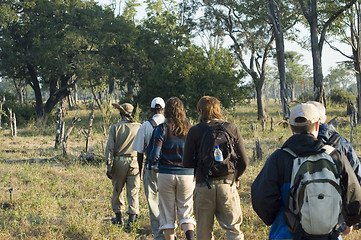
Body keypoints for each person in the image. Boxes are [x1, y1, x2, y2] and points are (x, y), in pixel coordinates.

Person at [251, 103, 361, 240]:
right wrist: (350, 220)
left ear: (291, 127)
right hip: (329, 235)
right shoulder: (335, 155)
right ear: (317, 125)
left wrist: (275, 217)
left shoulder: (279, 158)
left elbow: (261, 197)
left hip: (286, 233)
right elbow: (354, 192)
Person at [183, 96, 249, 240]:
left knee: (204, 233)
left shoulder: (195, 131)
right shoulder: (231, 128)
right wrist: (235, 178)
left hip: (203, 185)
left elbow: (186, 162)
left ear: (200, 110)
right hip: (227, 185)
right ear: (218, 109)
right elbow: (244, 161)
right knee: (233, 230)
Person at [149, 97, 196, 240]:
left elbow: (155, 154)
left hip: (166, 174)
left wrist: (153, 162)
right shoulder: (190, 128)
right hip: (187, 175)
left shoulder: (162, 128)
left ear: (166, 111)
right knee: (186, 212)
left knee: (167, 215)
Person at [131, 97, 166, 240]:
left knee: (153, 202)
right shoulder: (169, 124)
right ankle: (171, 231)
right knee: (168, 202)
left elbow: (139, 151)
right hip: (168, 169)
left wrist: (140, 171)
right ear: (163, 109)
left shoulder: (145, 125)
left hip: (150, 168)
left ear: (152, 110)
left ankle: (159, 235)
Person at [105, 102, 141, 231]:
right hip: (135, 162)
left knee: (117, 190)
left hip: (119, 162)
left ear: (121, 113)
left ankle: (119, 217)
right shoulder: (139, 127)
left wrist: (109, 166)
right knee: (133, 190)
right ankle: (132, 218)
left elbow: (110, 148)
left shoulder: (115, 128)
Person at [307, 101, 361, 184]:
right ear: (324, 118)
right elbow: (357, 176)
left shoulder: (294, 145)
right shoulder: (342, 143)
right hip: (337, 195)